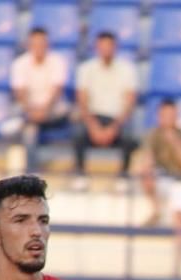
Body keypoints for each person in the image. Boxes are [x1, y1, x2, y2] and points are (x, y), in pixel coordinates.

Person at [136, 98, 181, 277]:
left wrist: (174, 141)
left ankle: (177, 267)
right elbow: (147, 159)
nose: (168, 119)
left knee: (180, 219)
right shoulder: (153, 136)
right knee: (145, 172)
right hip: (165, 180)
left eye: (171, 115)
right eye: (164, 115)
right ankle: (156, 210)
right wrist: (147, 165)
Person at [0, 28, 71, 174]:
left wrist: (43, 110)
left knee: (66, 110)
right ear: (29, 44)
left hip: (52, 109)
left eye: (42, 43)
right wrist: (32, 111)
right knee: (31, 131)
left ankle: (20, 123)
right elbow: (20, 93)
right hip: (29, 110)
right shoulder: (19, 63)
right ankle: (32, 171)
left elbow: (57, 90)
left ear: (48, 44)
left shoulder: (58, 62)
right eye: (35, 43)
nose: (39, 46)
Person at [72, 31, 138, 189]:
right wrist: (93, 126)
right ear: (96, 47)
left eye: (109, 46)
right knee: (78, 135)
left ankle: (123, 175)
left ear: (115, 47)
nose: (106, 49)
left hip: (117, 120)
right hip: (93, 118)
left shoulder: (127, 70)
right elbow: (82, 101)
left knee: (130, 138)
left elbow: (129, 103)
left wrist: (114, 128)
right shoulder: (86, 69)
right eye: (102, 46)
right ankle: (80, 174)